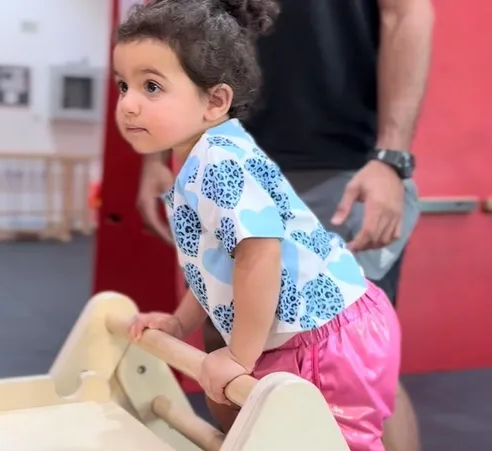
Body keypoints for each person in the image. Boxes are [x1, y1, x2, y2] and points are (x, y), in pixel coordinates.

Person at [136, 1, 434, 450]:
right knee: (236, 360)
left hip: (337, 161)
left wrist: (390, 157)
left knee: (348, 360)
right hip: (225, 142)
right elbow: (169, 36)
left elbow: (406, 12)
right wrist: (158, 157)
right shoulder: (210, 155)